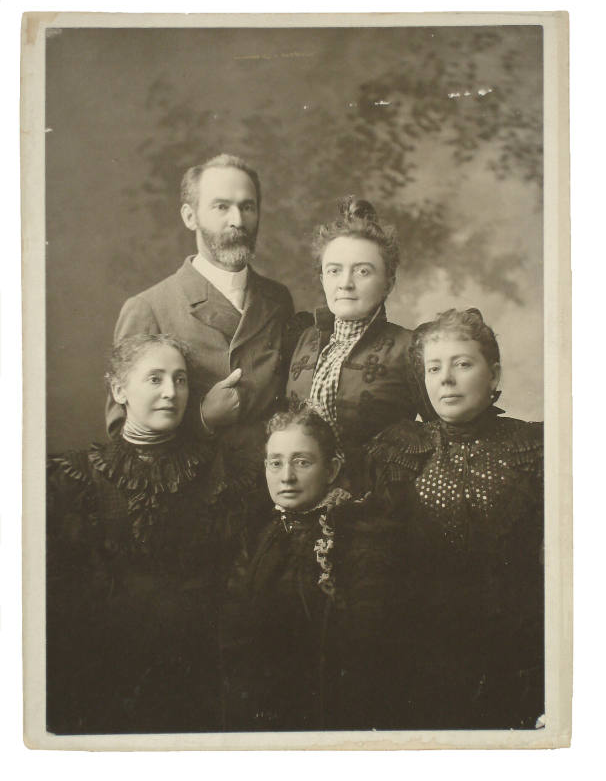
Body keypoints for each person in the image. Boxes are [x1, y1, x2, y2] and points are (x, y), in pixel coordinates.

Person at [47, 334, 256, 734]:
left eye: (180, 380)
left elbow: (236, 578)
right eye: (155, 379)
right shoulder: (78, 478)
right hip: (104, 672)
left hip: (198, 670)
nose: (171, 393)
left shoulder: (220, 471)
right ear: (119, 389)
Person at [367, 308, 544, 729]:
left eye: (462, 364)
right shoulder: (396, 451)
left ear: (494, 375)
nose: (445, 379)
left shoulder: (535, 448)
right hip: (422, 660)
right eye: (434, 368)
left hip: (516, 657)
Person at [225, 402, 401, 731]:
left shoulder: (359, 535)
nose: (286, 477)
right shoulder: (261, 535)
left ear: (331, 470)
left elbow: (365, 645)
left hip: (333, 709)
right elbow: (236, 629)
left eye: (302, 462)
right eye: (275, 463)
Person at [106, 154, 295, 450]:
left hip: (271, 488)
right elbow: (121, 431)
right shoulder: (149, 307)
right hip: (192, 489)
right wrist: (203, 418)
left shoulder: (277, 299)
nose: (237, 221)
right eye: (221, 207)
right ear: (189, 216)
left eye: (248, 207)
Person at [286, 196, 428, 486]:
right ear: (322, 278)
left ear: (389, 282)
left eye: (362, 271)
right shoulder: (303, 339)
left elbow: (446, 432)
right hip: (299, 500)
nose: (345, 283)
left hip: (376, 507)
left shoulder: (411, 347)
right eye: (334, 270)